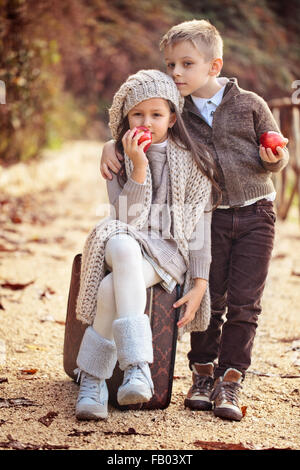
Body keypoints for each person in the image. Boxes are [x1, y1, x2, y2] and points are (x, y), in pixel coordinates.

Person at [100, 20, 289, 422]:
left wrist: (276, 157)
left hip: (257, 211)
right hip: (211, 217)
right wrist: (109, 144)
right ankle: (202, 374)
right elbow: (146, 124)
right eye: (171, 64)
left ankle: (231, 378)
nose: (176, 73)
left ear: (214, 66)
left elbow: (276, 148)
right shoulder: (178, 110)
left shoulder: (250, 104)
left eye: (187, 64)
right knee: (207, 297)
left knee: (245, 302)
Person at [74, 69, 218, 420]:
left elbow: (200, 228)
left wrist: (200, 283)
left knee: (109, 289)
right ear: (126, 118)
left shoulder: (195, 162)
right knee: (122, 246)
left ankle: (91, 379)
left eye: (156, 114)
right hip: (124, 235)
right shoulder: (118, 155)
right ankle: (137, 366)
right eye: (137, 114)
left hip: (166, 250)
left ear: (172, 117)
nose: (147, 122)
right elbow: (125, 220)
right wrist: (138, 165)